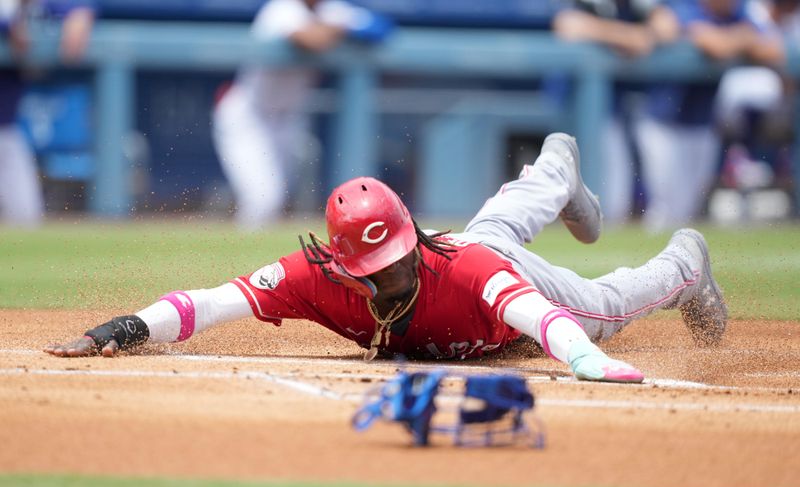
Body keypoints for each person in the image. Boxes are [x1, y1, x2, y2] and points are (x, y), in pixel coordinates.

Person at [45, 133, 729, 385]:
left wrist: (587, 360)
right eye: (377, 269)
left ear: (413, 236)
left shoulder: (456, 269)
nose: (394, 275)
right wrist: (126, 327)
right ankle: (553, 171)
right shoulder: (315, 276)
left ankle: (684, 265)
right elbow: (211, 302)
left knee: (604, 306)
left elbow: (542, 316)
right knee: (492, 227)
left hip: (507, 290)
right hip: (474, 257)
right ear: (343, 266)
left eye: (402, 257)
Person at [212, 0, 393, 231]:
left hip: (287, 120)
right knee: (264, 198)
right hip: (249, 118)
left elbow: (381, 28)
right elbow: (312, 40)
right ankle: (235, 255)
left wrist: (337, 24)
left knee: (276, 197)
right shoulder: (281, 9)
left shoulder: (332, 11)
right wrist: (340, 27)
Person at [634, 0, 785, 231]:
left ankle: (677, 262)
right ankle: (651, 261)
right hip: (662, 122)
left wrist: (732, 38)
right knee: (665, 206)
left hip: (702, 124)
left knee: (688, 209)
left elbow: (775, 49)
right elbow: (713, 44)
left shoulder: (741, 9)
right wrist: (743, 37)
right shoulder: (686, 6)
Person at [552, 0, 677, 224]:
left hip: (617, 115)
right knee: (586, 204)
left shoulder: (637, 6)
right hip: (571, 116)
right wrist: (628, 36)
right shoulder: (588, 4)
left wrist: (610, 34)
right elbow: (567, 25)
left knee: (612, 205)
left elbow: (668, 29)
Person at [0, 0, 94, 227]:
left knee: (26, 220)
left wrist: (80, 13)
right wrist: (9, 25)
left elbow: (73, 7)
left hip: (5, 132)